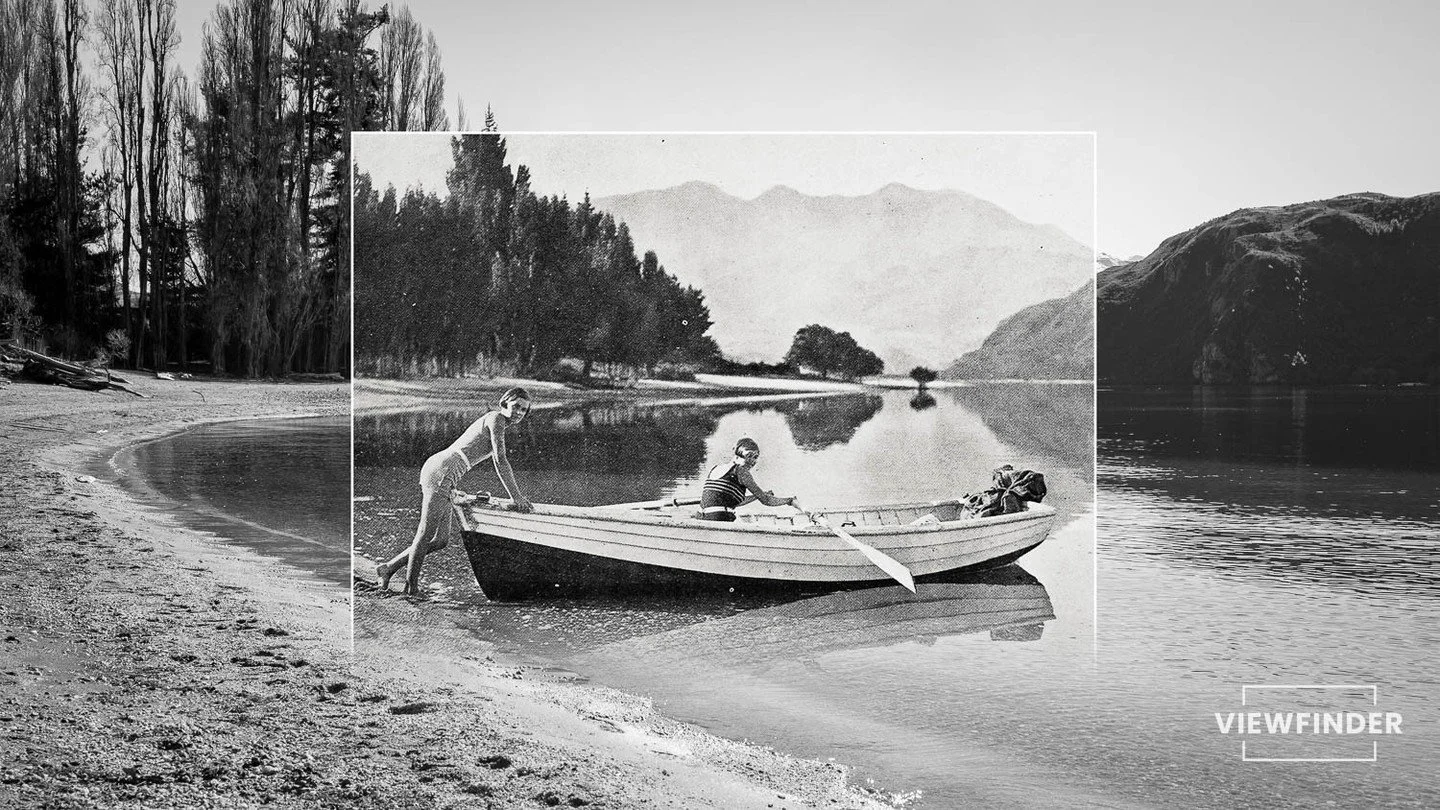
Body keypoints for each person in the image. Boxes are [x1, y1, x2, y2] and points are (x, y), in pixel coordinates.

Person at [376, 387, 534, 595]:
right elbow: (500, 459)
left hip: (447, 473)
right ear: (504, 403)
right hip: (443, 471)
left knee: (441, 540)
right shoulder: (496, 418)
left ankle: (388, 568)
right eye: (516, 406)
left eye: (524, 410)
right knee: (425, 534)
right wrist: (516, 497)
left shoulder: (499, 422)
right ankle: (410, 589)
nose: (519, 412)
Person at [699, 438, 797, 521]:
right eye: (749, 456)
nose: (752, 461)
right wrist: (789, 500)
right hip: (718, 518)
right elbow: (766, 500)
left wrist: (756, 496)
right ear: (738, 454)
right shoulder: (741, 471)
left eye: (755, 457)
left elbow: (729, 501)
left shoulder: (716, 468)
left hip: (701, 517)